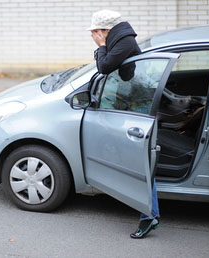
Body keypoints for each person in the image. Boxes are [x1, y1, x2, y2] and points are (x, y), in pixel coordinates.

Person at [87, 10, 160, 239]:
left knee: (139, 162)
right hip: (131, 101)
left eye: (94, 32)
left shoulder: (123, 42)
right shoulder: (119, 40)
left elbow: (105, 67)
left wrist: (100, 46)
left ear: (104, 31)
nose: (92, 36)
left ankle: (149, 216)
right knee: (134, 160)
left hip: (139, 103)